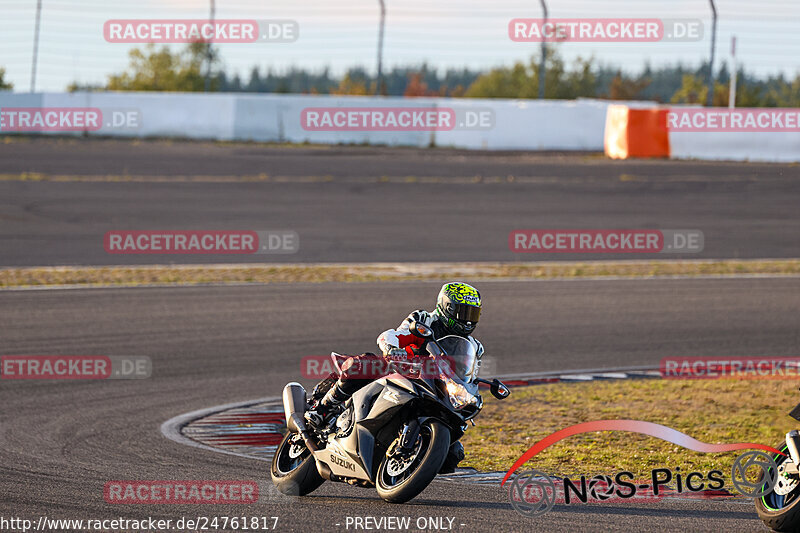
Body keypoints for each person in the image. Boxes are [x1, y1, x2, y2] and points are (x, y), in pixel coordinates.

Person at [304, 281, 484, 473]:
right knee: (360, 365)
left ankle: (411, 455)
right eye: (462, 312)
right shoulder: (423, 319)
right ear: (446, 306)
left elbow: (468, 375)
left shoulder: (474, 346)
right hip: (402, 368)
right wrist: (392, 349)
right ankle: (323, 407)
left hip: (434, 385)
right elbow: (391, 335)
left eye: (472, 314)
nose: (467, 320)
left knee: (453, 454)